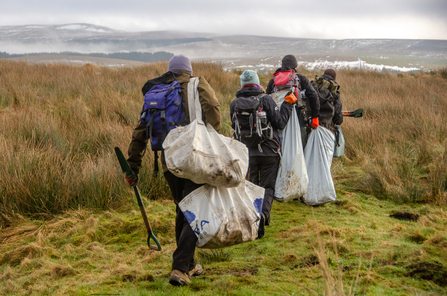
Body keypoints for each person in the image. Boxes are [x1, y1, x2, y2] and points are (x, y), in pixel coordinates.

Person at [126, 54, 221, 286]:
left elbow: (140, 132)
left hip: (169, 162)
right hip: (194, 158)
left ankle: (189, 264)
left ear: (170, 71)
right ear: (188, 70)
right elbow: (213, 111)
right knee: (195, 211)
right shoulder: (198, 84)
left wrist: (133, 165)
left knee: (183, 208)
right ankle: (179, 268)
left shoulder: (158, 94)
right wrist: (212, 137)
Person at [230, 70, 297, 239]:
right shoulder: (266, 100)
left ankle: (252, 220)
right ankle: (263, 217)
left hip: (246, 154)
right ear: (257, 82)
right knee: (267, 187)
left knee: (251, 187)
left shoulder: (234, 103)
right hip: (269, 151)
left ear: (242, 85)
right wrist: (288, 103)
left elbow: (234, 127)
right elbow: (280, 123)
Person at [266, 54, 320, 148]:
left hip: (278, 120)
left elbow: (266, 98)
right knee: (299, 149)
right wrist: (315, 116)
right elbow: (313, 96)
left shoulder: (274, 80)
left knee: (281, 148)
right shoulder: (300, 78)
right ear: (295, 65)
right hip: (299, 119)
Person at [312, 69, 343, 134]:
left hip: (310, 126)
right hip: (327, 129)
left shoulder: (312, 86)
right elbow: (338, 120)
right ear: (334, 78)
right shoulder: (335, 93)